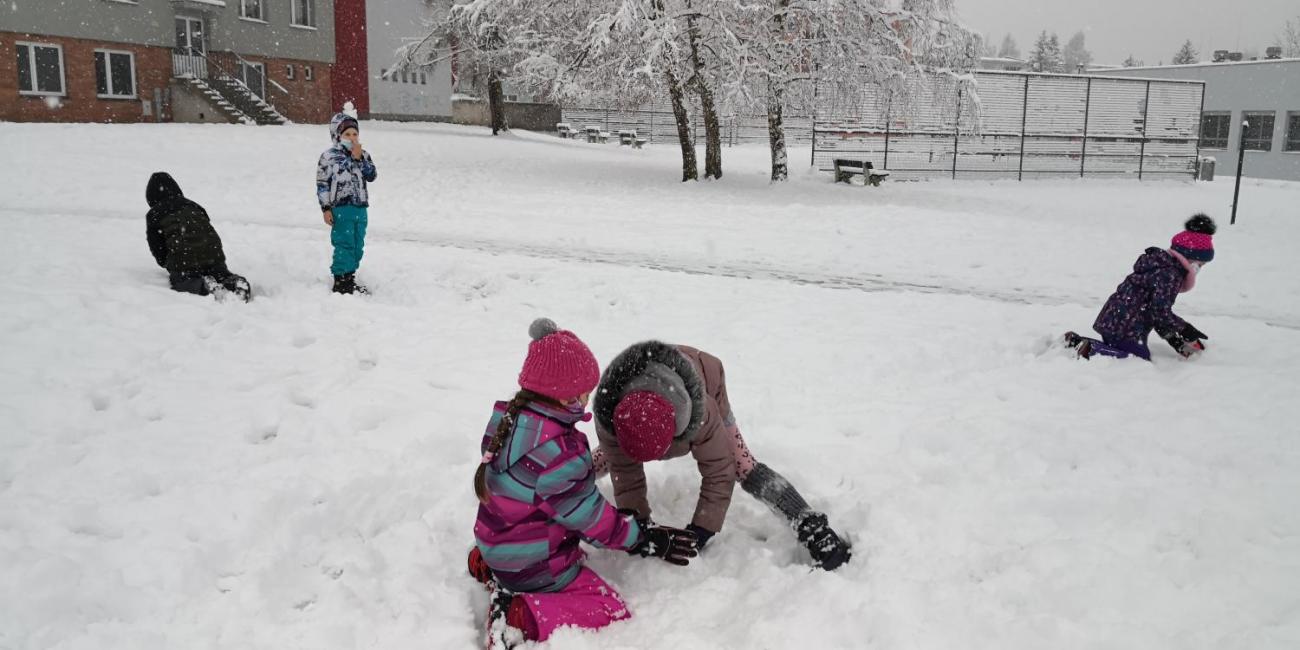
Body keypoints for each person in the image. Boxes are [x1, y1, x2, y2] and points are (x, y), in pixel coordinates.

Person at [470, 318, 698, 648]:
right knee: (610, 609)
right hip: (533, 565)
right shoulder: (559, 453)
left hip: (497, 541)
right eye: (586, 392)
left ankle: (490, 570)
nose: (590, 398)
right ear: (567, 398)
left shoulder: (508, 421)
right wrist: (642, 538)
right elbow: (592, 520)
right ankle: (521, 613)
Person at [591, 340, 852, 570]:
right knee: (610, 459)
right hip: (642, 414)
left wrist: (702, 528)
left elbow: (719, 470)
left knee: (741, 465)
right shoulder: (612, 417)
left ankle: (809, 523)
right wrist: (639, 528)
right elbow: (625, 474)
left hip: (703, 381)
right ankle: (560, 476)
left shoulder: (701, 413)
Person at [1065, 214, 1216, 360]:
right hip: (1127, 327)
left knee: (1121, 349)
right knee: (1136, 360)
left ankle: (1077, 342)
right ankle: (1088, 348)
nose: (1199, 269)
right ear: (1189, 258)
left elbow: (1154, 310)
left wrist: (1173, 338)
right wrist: (1185, 329)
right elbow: (1160, 312)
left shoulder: (1162, 266)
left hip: (1115, 320)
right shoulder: (1171, 275)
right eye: (1200, 264)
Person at [145, 172, 251, 301]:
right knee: (221, 274)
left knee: (182, 281)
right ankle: (235, 282)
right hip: (214, 255)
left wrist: (168, 263)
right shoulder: (193, 205)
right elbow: (206, 229)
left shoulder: (154, 214)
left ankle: (205, 287)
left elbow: (157, 247)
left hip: (184, 260)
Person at [316, 111, 377, 294]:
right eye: (347, 134)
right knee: (344, 245)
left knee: (358, 246)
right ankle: (342, 282)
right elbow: (322, 185)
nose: (352, 138)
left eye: (355, 134)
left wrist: (359, 159)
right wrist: (326, 208)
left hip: (360, 208)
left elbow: (371, 175)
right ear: (337, 136)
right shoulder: (329, 157)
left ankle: (350, 277)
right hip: (340, 209)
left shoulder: (363, 155)